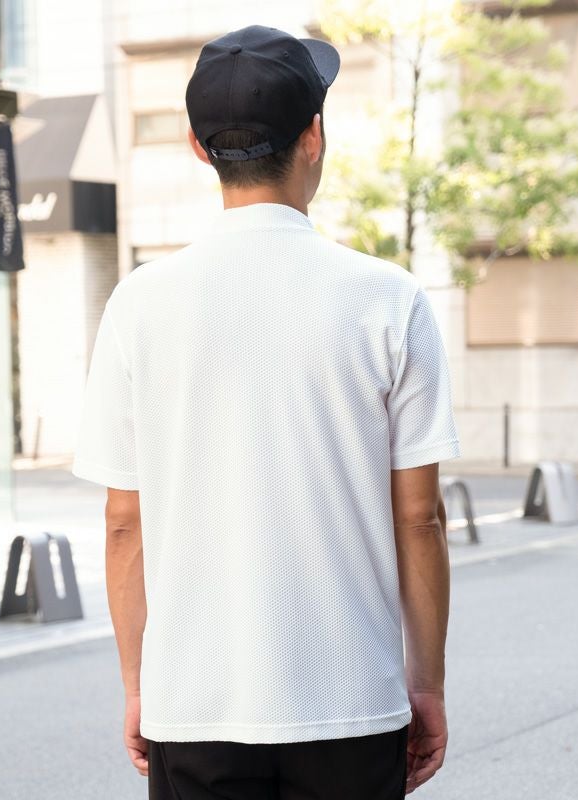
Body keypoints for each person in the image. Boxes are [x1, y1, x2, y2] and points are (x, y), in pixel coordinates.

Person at [72, 23, 461, 800]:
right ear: (314, 136)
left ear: (197, 146)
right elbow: (419, 519)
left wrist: (139, 684)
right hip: (351, 706)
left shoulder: (138, 305)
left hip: (194, 708)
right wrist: (426, 685)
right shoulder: (389, 300)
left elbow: (124, 524)